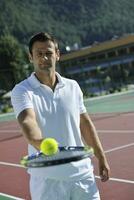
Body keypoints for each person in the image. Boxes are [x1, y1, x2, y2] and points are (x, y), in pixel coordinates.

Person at [11, 32, 110, 200]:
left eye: (48, 53)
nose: (44, 58)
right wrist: (41, 143)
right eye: (39, 54)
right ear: (31, 57)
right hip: (48, 182)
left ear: (57, 55)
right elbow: (28, 121)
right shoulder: (22, 90)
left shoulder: (73, 86)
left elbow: (85, 123)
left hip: (82, 176)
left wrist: (101, 156)